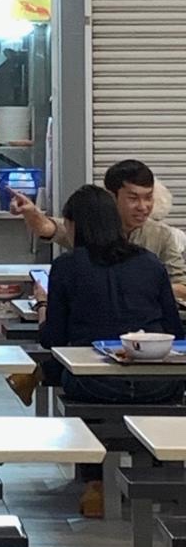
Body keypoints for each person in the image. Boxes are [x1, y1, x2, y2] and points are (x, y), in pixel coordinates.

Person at [36, 184, 184, 517]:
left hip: (93, 386)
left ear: (75, 225)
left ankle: (95, 480)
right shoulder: (150, 263)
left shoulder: (67, 267)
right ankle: (160, 472)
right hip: (161, 385)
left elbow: (52, 339)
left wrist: (42, 304)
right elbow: (175, 332)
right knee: (143, 393)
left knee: (65, 372)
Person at [11, 159, 186, 297]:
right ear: (111, 196)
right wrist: (30, 212)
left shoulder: (162, 235)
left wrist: (140, 289)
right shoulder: (91, 227)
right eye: (133, 198)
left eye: (148, 198)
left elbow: (182, 285)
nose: (143, 206)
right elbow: (48, 227)